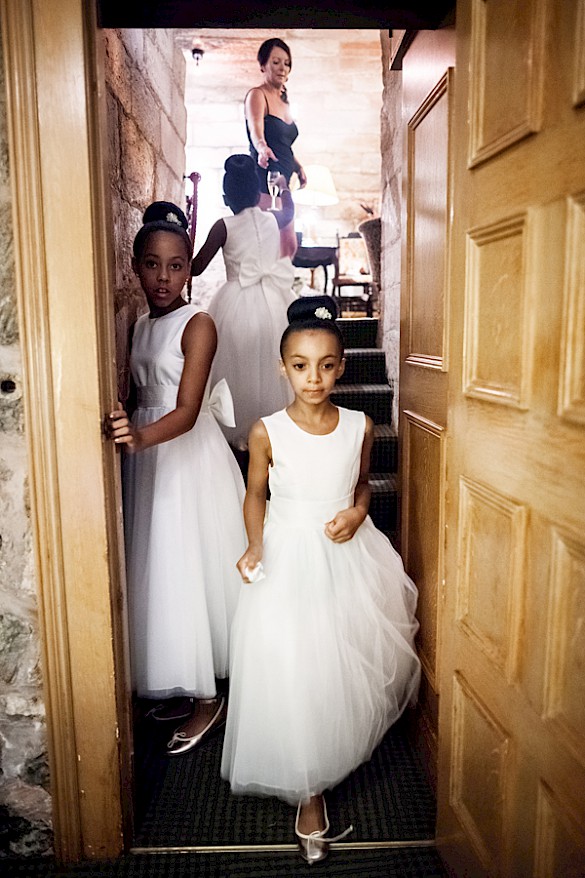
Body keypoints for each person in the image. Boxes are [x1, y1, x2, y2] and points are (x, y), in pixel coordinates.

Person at [221, 295, 421, 864]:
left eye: (327, 364)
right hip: (286, 555)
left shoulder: (360, 426)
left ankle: (334, 753)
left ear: (342, 366)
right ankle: (309, 790)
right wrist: (255, 544)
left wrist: (359, 513)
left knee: (340, 658)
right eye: (301, 365)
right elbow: (255, 493)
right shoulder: (266, 431)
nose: (315, 377)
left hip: (347, 556)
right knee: (296, 661)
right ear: (283, 367)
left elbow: (360, 486)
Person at [106, 201, 247, 756]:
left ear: (190, 269)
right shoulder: (140, 324)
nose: (162, 277)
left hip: (184, 454)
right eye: (151, 264)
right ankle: (178, 682)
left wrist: (139, 438)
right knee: (158, 567)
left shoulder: (200, 323)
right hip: (148, 452)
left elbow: (187, 410)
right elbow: (141, 393)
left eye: (175, 266)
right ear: (136, 266)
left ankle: (209, 696)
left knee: (188, 564)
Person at [192, 154, 297, 460]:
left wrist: (185, 238)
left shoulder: (222, 226)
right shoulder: (273, 217)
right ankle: (275, 433)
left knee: (235, 368)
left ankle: (238, 437)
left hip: (235, 304)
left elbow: (196, 267)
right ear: (257, 194)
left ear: (225, 197)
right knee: (271, 364)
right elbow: (288, 210)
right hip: (274, 302)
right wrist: (282, 187)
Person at [244, 37, 306, 259]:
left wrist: (298, 167)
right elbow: (256, 130)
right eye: (276, 62)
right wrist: (261, 148)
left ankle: (279, 292)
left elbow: (284, 142)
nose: (282, 68)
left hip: (285, 180)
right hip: (265, 177)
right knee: (267, 244)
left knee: (289, 247)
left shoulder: (285, 103)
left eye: (287, 63)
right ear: (263, 66)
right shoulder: (257, 95)